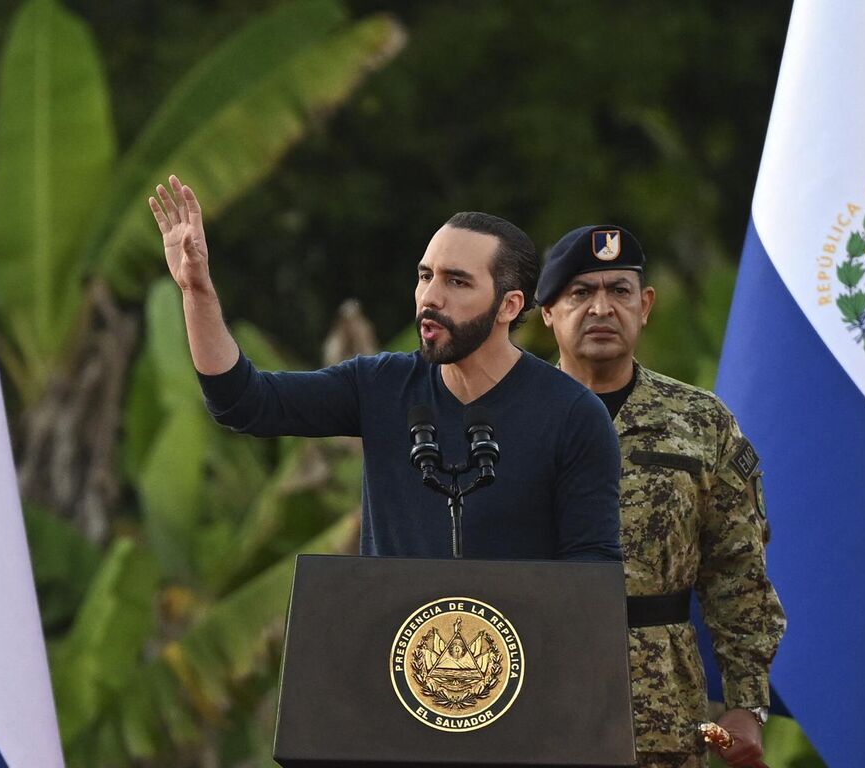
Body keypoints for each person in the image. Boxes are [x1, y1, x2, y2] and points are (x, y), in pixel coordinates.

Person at [147, 175, 621, 561]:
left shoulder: (571, 413)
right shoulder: (379, 385)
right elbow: (242, 402)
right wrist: (197, 293)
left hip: (519, 669)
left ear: (508, 305)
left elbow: (591, 576)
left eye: (457, 281)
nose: (431, 297)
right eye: (425, 276)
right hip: (393, 666)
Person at [536, 225, 784, 768]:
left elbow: (738, 570)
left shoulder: (700, 421)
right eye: (581, 293)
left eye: (619, 291)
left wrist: (745, 704)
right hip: (533, 693)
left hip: (662, 708)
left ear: (644, 305)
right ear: (547, 311)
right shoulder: (512, 417)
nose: (602, 307)